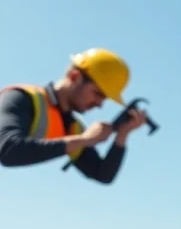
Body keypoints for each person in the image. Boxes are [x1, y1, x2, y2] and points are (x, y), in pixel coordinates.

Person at [0, 48, 149, 183]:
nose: (99, 104)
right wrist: (83, 140)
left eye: (104, 99)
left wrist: (121, 136)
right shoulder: (20, 97)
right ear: (74, 76)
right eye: (97, 94)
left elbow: (102, 174)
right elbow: (8, 150)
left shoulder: (73, 127)